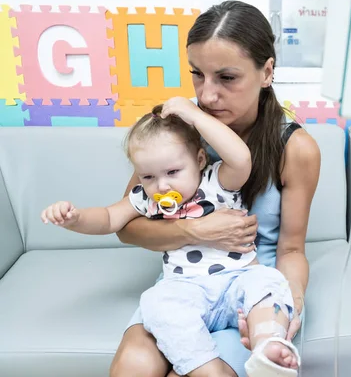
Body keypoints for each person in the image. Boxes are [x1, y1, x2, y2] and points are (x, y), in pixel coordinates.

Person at [108, 0, 321, 377]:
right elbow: (127, 226)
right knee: (133, 366)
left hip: (250, 289)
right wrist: (192, 229)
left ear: (267, 72)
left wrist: (290, 303)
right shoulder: (178, 129)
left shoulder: (296, 148)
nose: (207, 96)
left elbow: (290, 248)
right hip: (182, 287)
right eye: (198, 75)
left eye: (226, 77)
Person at [40, 96, 303, 376]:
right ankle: (203, 365)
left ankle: (267, 347)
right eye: (148, 177)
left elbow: (240, 158)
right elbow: (108, 219)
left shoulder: (218, 182)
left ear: (200, 159)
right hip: (185, 287)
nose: (162, 185)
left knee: (268, 283)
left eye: (173, 172)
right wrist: (75, 218)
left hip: (238, 278)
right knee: (157, 303)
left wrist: (196, 115)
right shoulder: (146, 198)